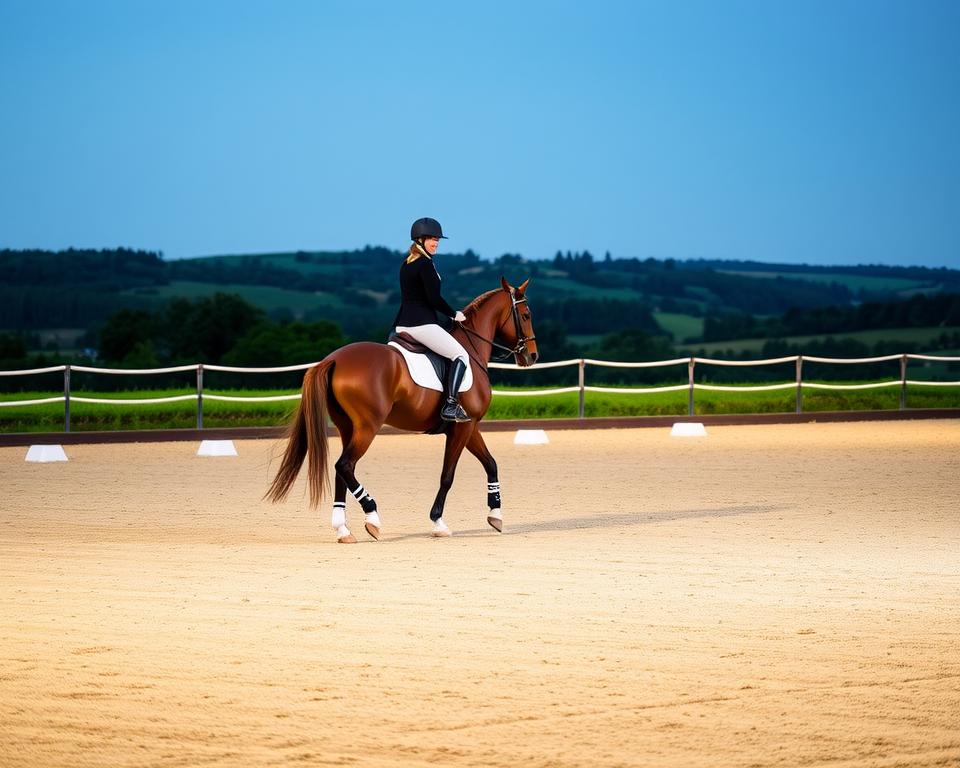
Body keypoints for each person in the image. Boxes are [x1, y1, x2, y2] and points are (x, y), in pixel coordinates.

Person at [393, 217, 471, 422]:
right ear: (419, 240)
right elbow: (433, 299)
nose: (435, 243)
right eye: (431, 239)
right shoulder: (425, 264)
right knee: (461, 356)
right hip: (422, 325)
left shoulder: (406, 264)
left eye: (437, 239)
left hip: (402, 325)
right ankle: (451, 405)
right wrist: (454, 314)